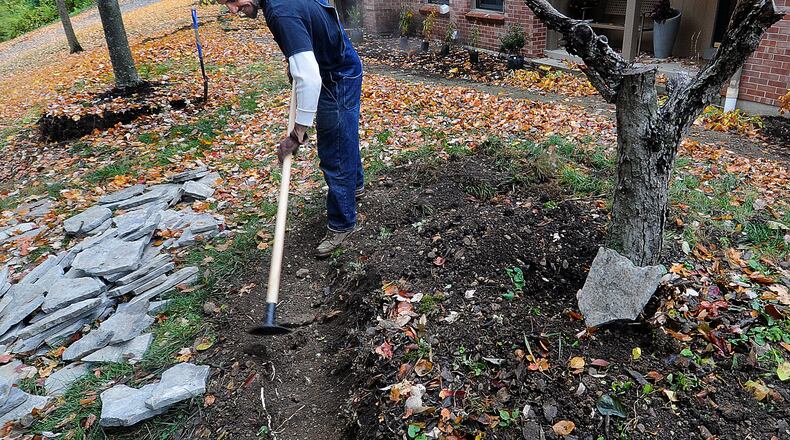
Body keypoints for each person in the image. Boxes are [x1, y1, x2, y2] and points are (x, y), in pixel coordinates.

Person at [218, 0, 365, 257]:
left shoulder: (279, 11)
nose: (232, 9)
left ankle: (343, 223)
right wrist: (297, 58)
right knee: (344, 136)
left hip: (336, 76)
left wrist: (297, 134)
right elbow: (315, 18)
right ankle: (355, 187)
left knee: (335, 151)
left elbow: (309, 78)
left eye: (231, 0)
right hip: (339, 62)